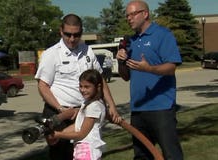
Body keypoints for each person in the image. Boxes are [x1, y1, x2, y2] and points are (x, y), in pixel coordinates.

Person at [35, 14, 121, 160]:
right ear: (61, 31)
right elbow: (43, 86)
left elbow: (99, 79)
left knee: (83, 153)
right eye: (68, 34)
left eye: (77, 35)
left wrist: (111, 106)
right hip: (59, 113)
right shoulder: (51, 54)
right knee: (61, 154)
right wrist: (61, 109)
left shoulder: (87, 51)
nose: (72, 39)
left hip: (83, 112)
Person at [116, 0, 183, 159]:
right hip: (138, 109)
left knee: (171, 154)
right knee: (141, 156)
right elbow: (125, 77)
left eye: (132, 14)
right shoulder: (130, 41)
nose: (129, 19)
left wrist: (149, 69)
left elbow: (171, 67)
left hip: (161, 108)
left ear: (145, 14)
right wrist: (121, 61)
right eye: (127, 16)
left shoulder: (162, 35)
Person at [48, 69, 107, 160]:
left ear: (98, 87)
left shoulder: (94, 106)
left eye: (87, 87)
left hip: (88, 149)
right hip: (83, 148)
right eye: (80, 86)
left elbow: (81, 134)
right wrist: (59, 133)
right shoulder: (88, 103)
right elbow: (78, 126)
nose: (82, 90)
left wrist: (57, 134)